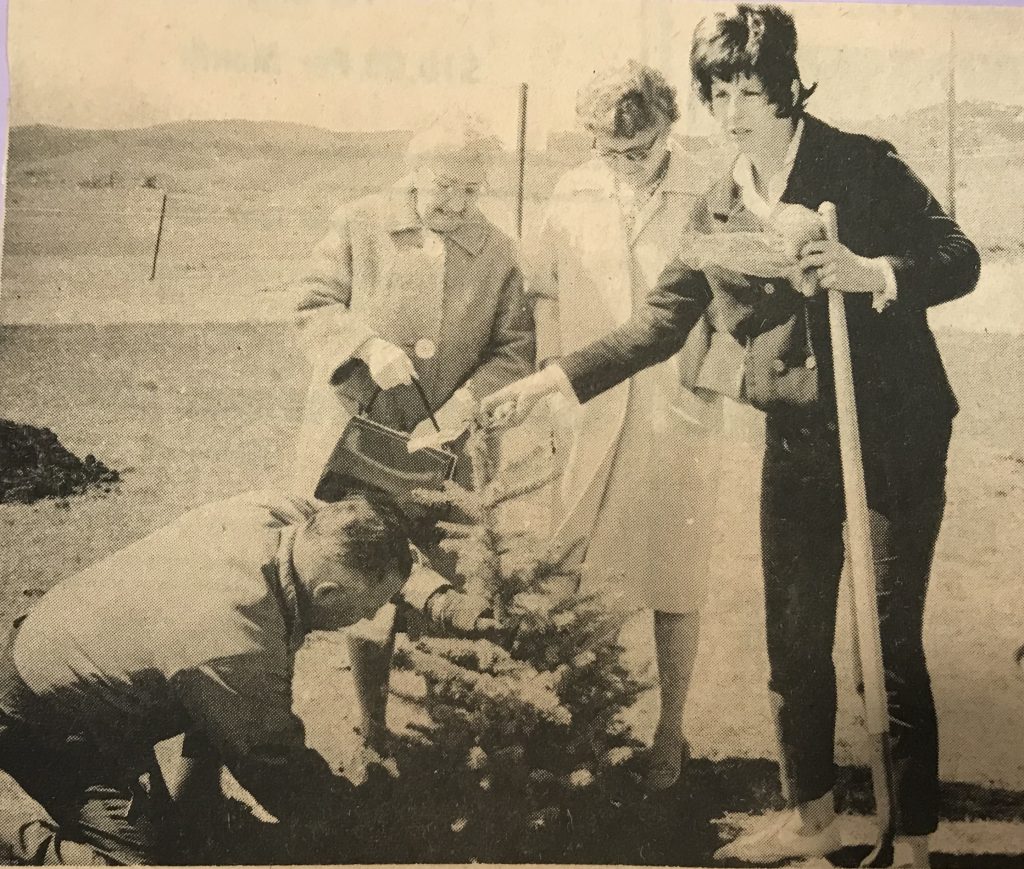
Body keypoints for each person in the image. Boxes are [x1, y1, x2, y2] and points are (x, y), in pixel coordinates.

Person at [482, 5, 980, 867]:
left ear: (786, 87)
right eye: (720, 92)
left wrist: (871, 273)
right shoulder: (719, 205)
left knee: (885, 641)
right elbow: (659, 322)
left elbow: (958, 254)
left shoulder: (860, 163)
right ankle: (813, 815)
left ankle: (916, 839)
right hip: (797, 436)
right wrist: (551, 380)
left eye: (752, 89)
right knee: (792, 637)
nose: (737, 109)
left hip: (892, 435)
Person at [0, 491, 490, 864]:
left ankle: (195, 813)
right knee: (151, 861)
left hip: (94, 657)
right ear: (330, 591)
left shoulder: (282, 515)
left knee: (216, 704)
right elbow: (278, 771)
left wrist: (438, 598)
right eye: (372, 604)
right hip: (48, 719)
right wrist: (368, 830)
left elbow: (375, 533)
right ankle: (16, 833)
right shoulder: (238, 636)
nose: (377, 613)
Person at [527, 61, 721, 791]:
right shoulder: (571, 190)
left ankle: (669, 733)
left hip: (678, 405)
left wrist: (705, 375)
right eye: (612, 152)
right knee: (581, 575)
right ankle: (587, 729)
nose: (628, 165)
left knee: (675, 575)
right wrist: (552, 373)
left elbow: (734, 301)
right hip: (585, 401)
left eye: (640, 150)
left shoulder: (708, 188)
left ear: (669, 128)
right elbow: (543, 289)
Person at [289, 109, 534, 501]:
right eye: (445, 186)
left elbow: (515, 350)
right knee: (342, 552)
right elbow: (313, 305)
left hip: (452, 457)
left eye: (471, 190)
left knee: (443, 554)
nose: (456, 205)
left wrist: (464, 407)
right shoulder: (360, 222)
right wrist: (366, 347)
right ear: (417, 172)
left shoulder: (500, 252)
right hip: (349, 441)